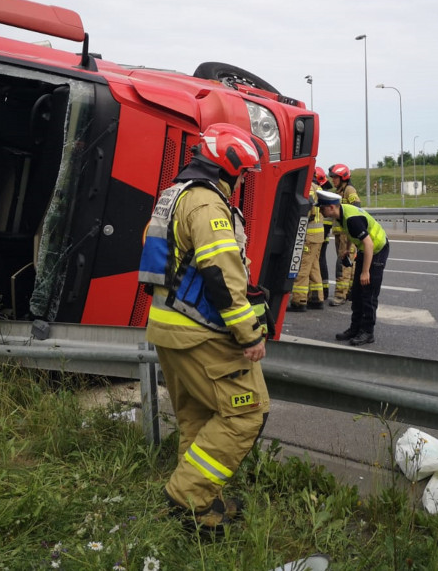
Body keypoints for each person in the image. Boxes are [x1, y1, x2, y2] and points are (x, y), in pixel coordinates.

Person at [138, 123, 270, 532]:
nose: (242, 180)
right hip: (200, 332)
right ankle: (186, 497)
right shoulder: (207, 205)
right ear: (228, 168)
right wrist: (249, 333)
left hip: (167, 328)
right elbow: (220, 274)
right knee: (246, 413)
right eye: (243, 173)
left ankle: (199, 506)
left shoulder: (173, 195)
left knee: (197, 418)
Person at [317, 190, 389, 346]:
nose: (321, 212)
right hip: (365, 249)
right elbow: (351, 234)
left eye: (322, 208)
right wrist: (348, 249)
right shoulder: (340, 215)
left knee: (368, 294)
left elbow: (369, 243)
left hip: (377, 250)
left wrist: (365, 272)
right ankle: (355, 328)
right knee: (356, 293)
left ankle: (368, 332)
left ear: (331, 207)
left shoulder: (351, 219)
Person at [288, 173, 325, 311]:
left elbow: (308, 207)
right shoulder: (318, 188)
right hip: (318, 235)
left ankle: (299, 300)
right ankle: (316, 298)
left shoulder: (308, 187)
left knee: (302, 268)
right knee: (314, 267)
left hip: (308, 234)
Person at [327, 163, 362, 306]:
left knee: (343, 264)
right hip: (340, 233)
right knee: (349, 263)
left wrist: (350, 229)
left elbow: (356, 208)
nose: (333, 180)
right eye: (332, 177)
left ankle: (340, 295)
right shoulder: (339, 191)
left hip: (346, 234)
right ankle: (351, 292)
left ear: (343, 177)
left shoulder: (349, 190)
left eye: (335, 177)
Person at [314, 166, 334, 301]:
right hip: (322, 232)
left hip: (320, 232)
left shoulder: (320, 194)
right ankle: (324, 289)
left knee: (319, 260)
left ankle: (323, 290)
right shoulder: (324, 192)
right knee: (321, 260)